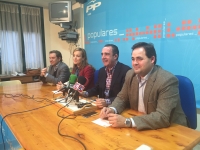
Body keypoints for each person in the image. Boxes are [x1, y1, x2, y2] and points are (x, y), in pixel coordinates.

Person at [100, 42, 188, 130]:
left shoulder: (166, 80)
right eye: (133, 59)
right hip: (142, 124)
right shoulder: (130, 74)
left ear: (152, 59)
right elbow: (122, 98)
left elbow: (162, 117)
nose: (135, 63)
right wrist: (112, 109)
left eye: (139, 59)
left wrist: (128, 122)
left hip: (171, 129)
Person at [80, 44, 131, 108]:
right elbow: (97, 88)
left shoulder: (126, 71)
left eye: (106, 54)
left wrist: (107, 101)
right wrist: (85, 93)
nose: (103, 57)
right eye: (102, 54)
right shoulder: (102, 71)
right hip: (102, 107)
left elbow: (125, 96)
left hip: (117, 107)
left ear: (115, 56)